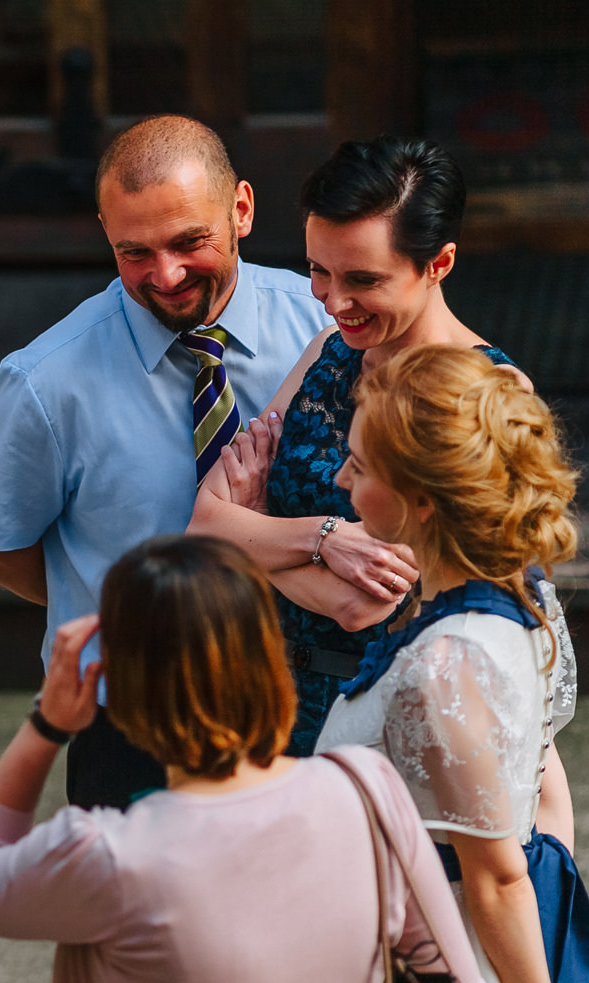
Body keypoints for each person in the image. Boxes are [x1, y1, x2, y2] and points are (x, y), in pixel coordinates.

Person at [0, 535, 492, 983]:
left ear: (122, 680)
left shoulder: (109, 853)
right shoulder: (364, 790)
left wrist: (47, 725)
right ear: (267, 656)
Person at [0, 114, 327, 809]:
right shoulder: (45, 381)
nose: (166, 274)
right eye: (135, 252)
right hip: (131, 726)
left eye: (190, 241)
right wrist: (128, 606)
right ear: (105, 230)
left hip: (311, 703)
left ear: (241, 209)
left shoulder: (324, 327)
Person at [316, 346, 589, 983]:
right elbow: (541, 788)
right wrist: (560, 978)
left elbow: (499, 871)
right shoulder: (519, 597)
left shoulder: (446, 666)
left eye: (360, 463)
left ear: (419, 498)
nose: (339, 475)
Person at [188, 136, 524, 754]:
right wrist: (329, 540)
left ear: (438, 264)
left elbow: (361, 608)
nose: (333, 302)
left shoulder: (492, 395)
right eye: (319, 270)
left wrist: (257, 526)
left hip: (389, 723)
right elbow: (202, 532)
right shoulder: (328, 353)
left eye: (363, 279)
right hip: (268, 707)